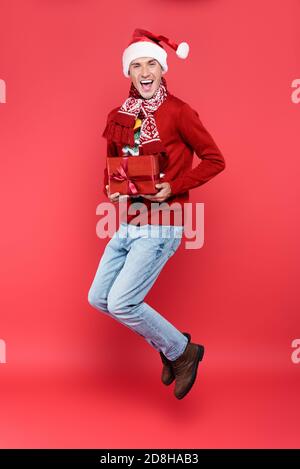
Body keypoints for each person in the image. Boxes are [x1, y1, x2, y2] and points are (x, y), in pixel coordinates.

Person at [88, 28, 226, 399]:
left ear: (163, 70)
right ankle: (174, 346)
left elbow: (215, 159)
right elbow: (111, 164)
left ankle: (182, 352)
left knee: (122, 301)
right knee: (99, 298)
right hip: (129, 222)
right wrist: (110, 189)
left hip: (162, 224)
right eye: (136, 65)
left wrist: (175, 185)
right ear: (128, 73)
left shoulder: (179, 111)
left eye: (152, 63)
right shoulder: (119, 115)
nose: (144, 71)